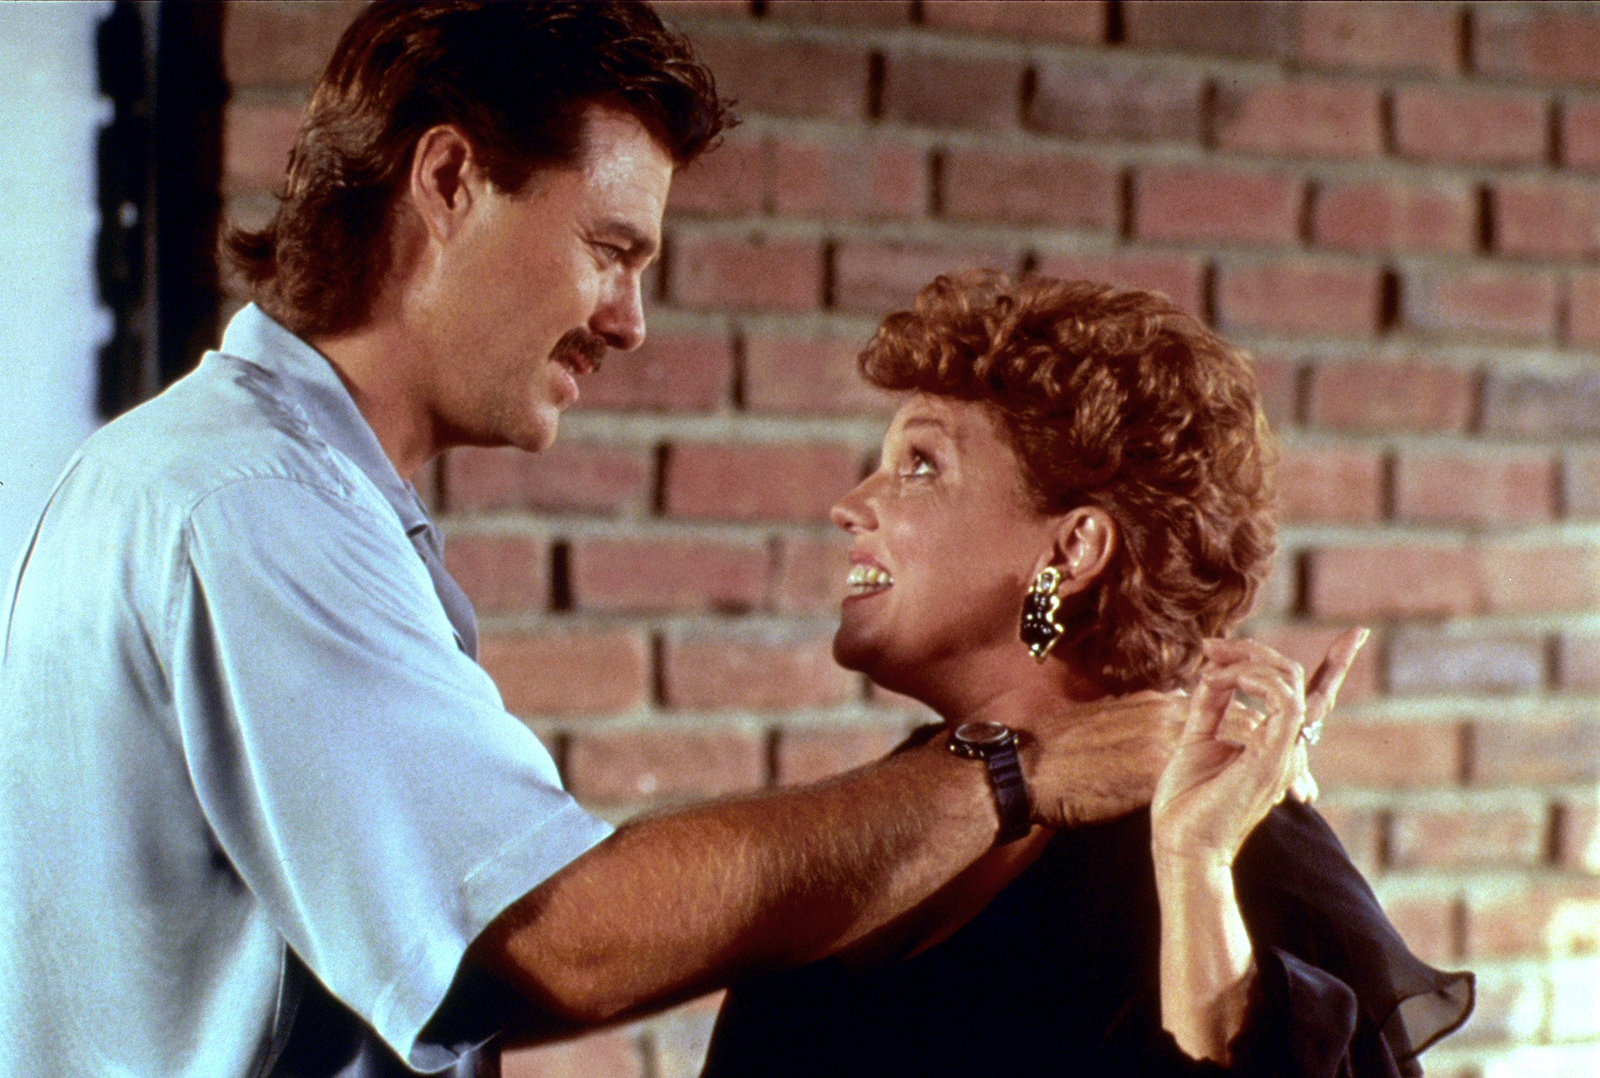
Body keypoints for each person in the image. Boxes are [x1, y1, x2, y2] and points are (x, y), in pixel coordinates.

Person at [0, 6, 1194, 1076]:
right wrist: (1009, 773)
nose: (628, 324)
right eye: (610, 250)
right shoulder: (253, 503)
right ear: (450, 179)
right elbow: (552, 939)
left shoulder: (234, 481)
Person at [699, 272, 1475, 1077]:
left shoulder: (1239, 848)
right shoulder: (890, 808)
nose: (851, 505)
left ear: (1073, 550)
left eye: (920, 465)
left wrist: (1196, 868)